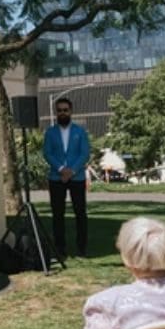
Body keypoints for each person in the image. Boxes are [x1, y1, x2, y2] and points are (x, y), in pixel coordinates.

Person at [43, 97, 90, 257]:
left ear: (71, 111)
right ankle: (60, 247)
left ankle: (82, 248)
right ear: (56, 112)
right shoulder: (50, 132)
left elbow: (84, 153)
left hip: (77, 177)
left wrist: (72, 171)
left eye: (65, 110)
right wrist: (62, 169)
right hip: (57, 178)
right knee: (57, 214)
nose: (62, 113)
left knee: (80, 213)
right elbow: (47, 153)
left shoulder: (80, 131)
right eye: (59, 110)